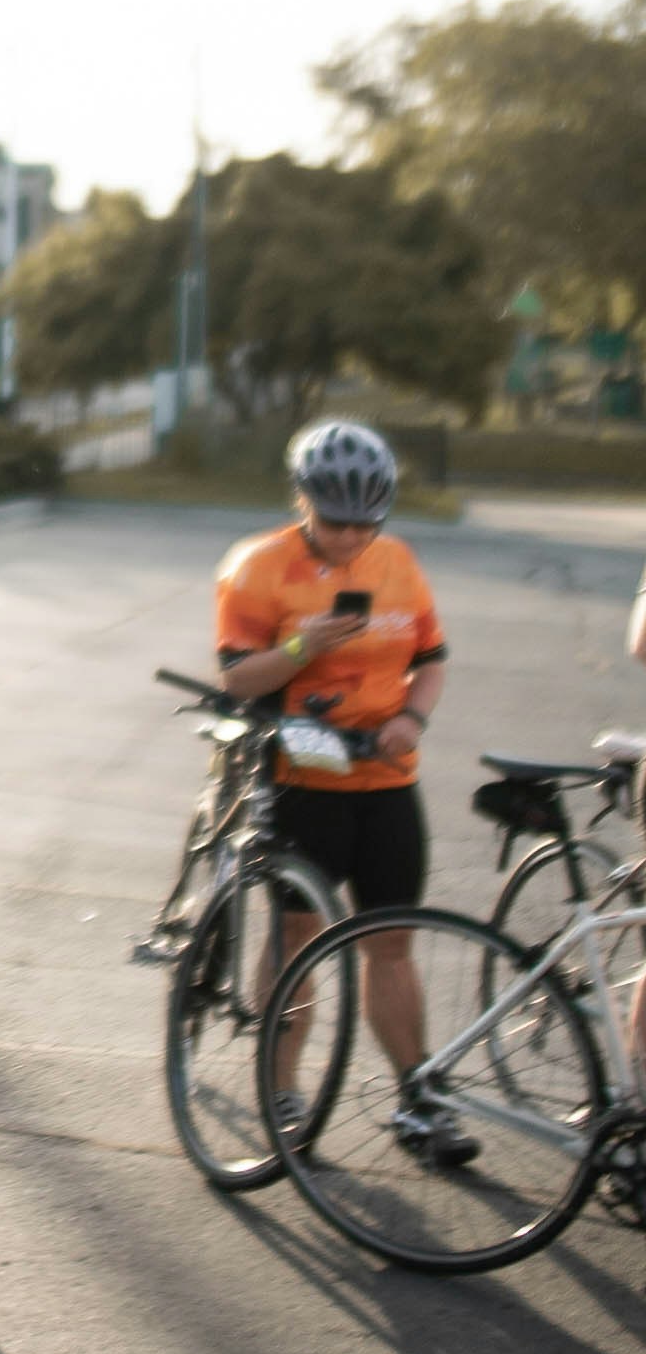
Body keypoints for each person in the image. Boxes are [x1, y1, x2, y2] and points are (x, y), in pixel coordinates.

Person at [214, 421, 463, 1154]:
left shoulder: (399, 563)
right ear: (302, 502)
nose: (352, 537)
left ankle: (419, 1101)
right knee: (298, 940)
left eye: (365, 523)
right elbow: (236, 677)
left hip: (387, 777)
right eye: (335, 522)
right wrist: (300, 647)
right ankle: (283, 1091)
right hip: (304, 776)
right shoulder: (257, 567)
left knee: (391, 943)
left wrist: (414, 716)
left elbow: (433, 660)